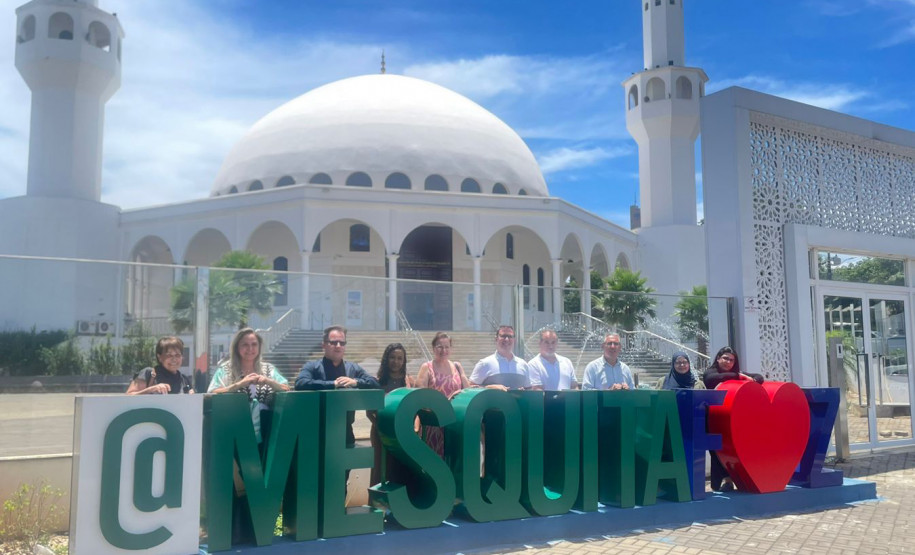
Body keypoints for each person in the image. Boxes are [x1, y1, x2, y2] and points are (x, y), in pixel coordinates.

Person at [295, 325, 380, 447]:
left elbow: (375, 383)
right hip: (316, 430)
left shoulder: (353, 368)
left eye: (342, 342)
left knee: (345, 466)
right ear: (324, 345)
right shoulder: (312, 366)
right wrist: (333, 384)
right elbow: (300, 383)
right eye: (334, 342)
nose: (338, 346)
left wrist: (355, 382)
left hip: (345, 431)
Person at [207, 328, 290, 443]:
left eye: (254, 344)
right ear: (237, 347)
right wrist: (239, 384)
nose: (250, 349)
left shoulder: (269, 369)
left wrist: (268, 381)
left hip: (267, 428)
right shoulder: (226, 369)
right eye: (245, 345)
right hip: (235, 425)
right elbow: (212, 392)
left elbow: (286, 389)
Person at [701, 346, 764, 492]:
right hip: (713, 419)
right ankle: (719, 484)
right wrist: (738, 376)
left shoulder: (737, 373)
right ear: (718, 358)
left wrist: (748, 378)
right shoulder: (711, 372)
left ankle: (732, 480)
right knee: (716, 451)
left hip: (731, 419)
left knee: (732, 450)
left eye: (731, 360)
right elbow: (711, 380)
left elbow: (759, 378)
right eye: (725, 358)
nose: (728, 362)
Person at [417, 332, 471, 457]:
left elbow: (467, 390)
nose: (443, 350)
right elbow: (420, 395)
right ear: (433, 348)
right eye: (440, 346)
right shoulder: (426, 367)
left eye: (447, 347)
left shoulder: (457, 366)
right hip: (433, 422)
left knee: (452, 459)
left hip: (454, 422)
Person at [369, 343, 414, 485]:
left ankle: (399, 505)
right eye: (392, 357)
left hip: (403, 433)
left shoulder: (409, 381)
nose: (396, 361)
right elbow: (369, 412)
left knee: (401, 469)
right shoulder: (376, 382)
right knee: (380, 469)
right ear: (386, 359)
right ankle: (378, 504)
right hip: (381, 433)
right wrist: (383, 426)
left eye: (400, 358)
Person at [469, 325, 537, 390]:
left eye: (510, 336)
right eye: (503, 336)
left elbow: (529, 389)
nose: (506, 339)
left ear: (514, 340)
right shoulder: (484, 364)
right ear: (496, 339)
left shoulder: (523, 364)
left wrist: (523, 391)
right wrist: (490, 387)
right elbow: (470, 388)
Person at [126, 336, 194, 395]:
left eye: (177, 355)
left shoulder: (184, 380)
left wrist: (192, 397)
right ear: (159, 357)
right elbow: (128, 397)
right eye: (169, 355)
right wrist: (151, 389)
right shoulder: (149, 373)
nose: (174, 359)